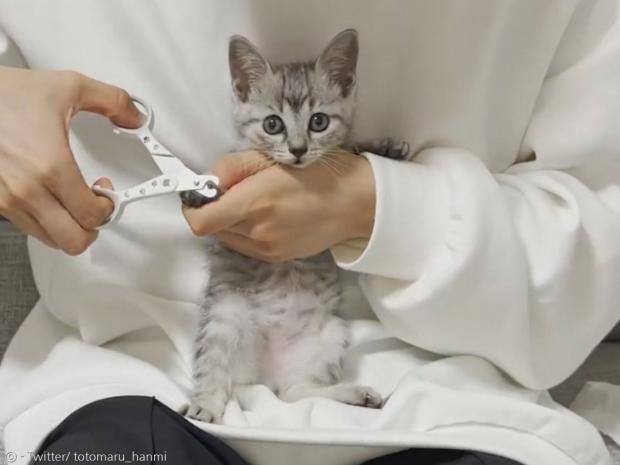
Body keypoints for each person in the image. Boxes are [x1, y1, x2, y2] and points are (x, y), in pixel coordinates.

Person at [0, 1, 619, 465]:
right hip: (132, 384)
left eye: (316, 123)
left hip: (448, 402)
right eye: (277, 125)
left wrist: (382, 206)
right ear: (242, 91)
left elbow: (597, 235)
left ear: (346, 88)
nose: (297, 145)